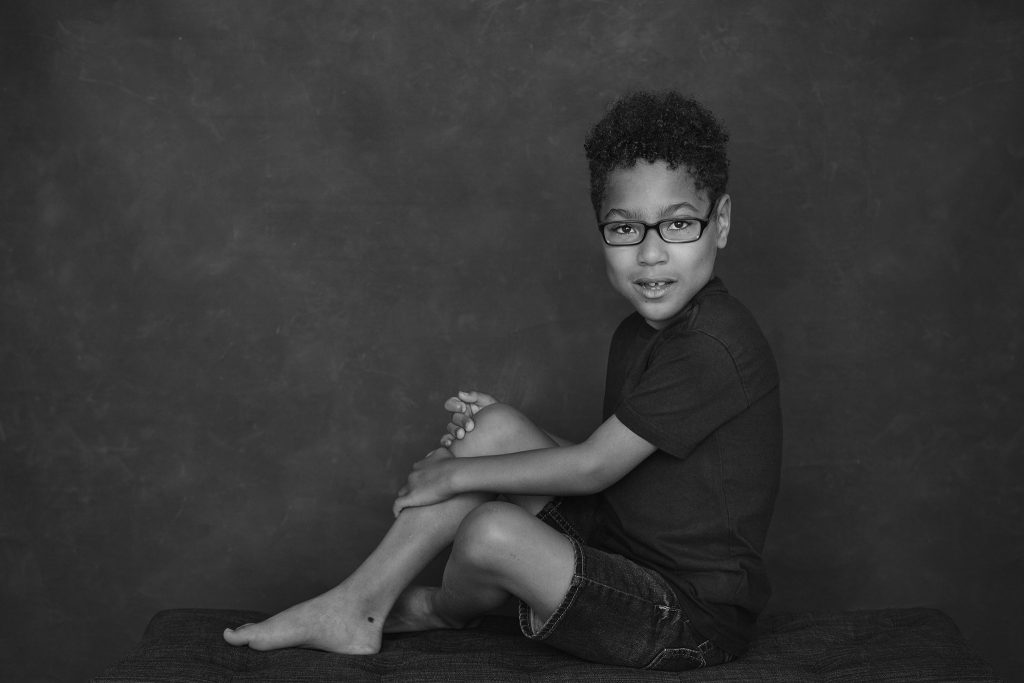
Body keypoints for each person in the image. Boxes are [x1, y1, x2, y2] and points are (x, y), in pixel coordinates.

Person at [223, 90, 781, 671]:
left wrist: (457, 475)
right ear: (602, 232)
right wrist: (498, 442)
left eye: (679, 224)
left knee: (490, 529)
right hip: (623, 555)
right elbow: (637, 479)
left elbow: (594, 468)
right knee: (495, 427)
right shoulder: (638, 333)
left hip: (685, 617)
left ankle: (442, 607)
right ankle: (360, 603)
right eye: (624, 229)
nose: (650, 254)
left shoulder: (713, 344)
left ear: (721, 224)